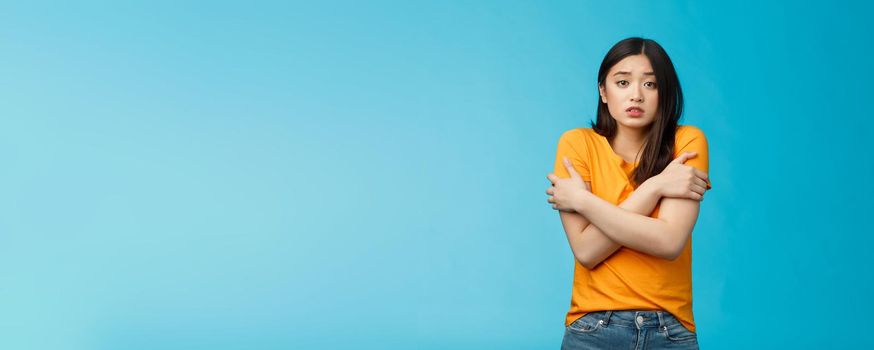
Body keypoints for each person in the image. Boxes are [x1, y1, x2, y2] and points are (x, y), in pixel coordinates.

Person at [545, 37, 711, 350]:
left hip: (669, 329)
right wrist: (658, 186)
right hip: (593, 327)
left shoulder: (687, 142)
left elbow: (668, 241)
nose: (636, 94)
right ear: (603, 91)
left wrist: (583, 201)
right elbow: (586, 251)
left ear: (665, 93)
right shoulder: (576, 144)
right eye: (623, 82)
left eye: (650, 84)